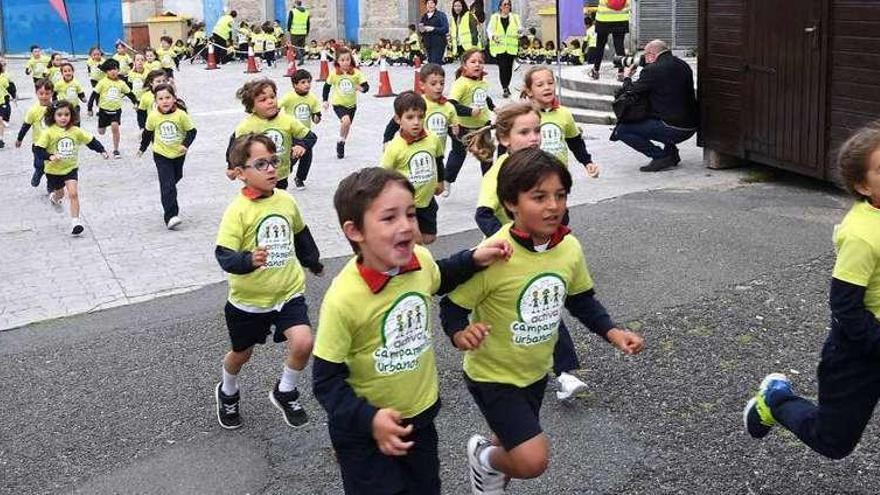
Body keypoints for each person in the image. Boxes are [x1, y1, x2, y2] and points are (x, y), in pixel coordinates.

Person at [440, 148, 644, 494]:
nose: (553, 206)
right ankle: (482, 458)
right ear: (510, 203)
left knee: (509, 444)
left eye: (560, 195)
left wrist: (612, 332)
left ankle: (490, 477)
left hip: (535, 371)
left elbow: (580, 299)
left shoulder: (569, 249)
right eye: (539, 197)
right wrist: (461, 333)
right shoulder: (495, 253)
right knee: (532, 460)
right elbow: (452, 306)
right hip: (492, 376)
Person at [312, 166, 511, 495]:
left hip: (419, 417)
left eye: (410, 214)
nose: (406, 226)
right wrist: (370, 418)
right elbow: (325, 380)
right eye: (389, 218)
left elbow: (438, 277)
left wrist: (474, 258)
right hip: (364, 433)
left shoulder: (418, 259)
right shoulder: (344, 297)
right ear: (355, 231)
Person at [743, 124, 880, 460]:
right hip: (859, 352)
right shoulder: (862, 236)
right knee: (833, 441)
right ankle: (775, 401)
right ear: (864, 186)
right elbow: (845, 307)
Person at [467, 102, 594, 401]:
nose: (534, 137)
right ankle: (503, 370)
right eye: (524, 132)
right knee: (525, 314)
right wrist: (505, 240)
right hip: (507, 256)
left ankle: (563, 374)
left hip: (539, 251)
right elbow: (483, 214)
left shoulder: (544, 166)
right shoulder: (497, 173)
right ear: (504, 139)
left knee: (546, 309)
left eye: (537, 130)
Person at [214, 133, 324, 430]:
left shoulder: (286, 200)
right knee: (242, 354)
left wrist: (312, 261)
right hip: (249, 300)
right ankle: (227, 391)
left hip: (288, 291)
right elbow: (223, 254)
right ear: (240, 174)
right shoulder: (237, 211)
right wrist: (247, 260)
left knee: (303, 342)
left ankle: (285, 390)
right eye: (261, 164)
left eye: (274, 161)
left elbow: (300, 233)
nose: (271, 169)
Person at [612, 40, 699, 172]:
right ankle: (671, 153)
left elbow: (630, 92)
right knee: (660, 111)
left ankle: (661, 157)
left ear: (651, 55)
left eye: (645, 55)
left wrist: (627, 77)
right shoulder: (682, 64)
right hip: (691, 125)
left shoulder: (652, 70)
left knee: (622, 130)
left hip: (673, 128)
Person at [35, 100, 110, 236]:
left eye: (66, 114)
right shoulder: (49, 133)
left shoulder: (75, 131)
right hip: (53, 171)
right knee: (60, 194)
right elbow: (38, 150)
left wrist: (102, 150)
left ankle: (76, 222)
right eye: (59, 115)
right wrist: (50, 156)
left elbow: (90, 140)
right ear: (53, 116)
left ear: (71, 116)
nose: (63, 118)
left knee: (73, 194)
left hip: (71, 168)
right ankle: (54, 197)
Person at [228, 78, 317, 190]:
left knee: (278, 201)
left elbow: (311, 137)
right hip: (256, 176)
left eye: (272, 97)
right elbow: (234, 146)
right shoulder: (247, 126)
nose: (270, 101)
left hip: (280, 174)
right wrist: (231, 167)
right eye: (263, 99)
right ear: (252, 107)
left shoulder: (287, 120)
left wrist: (302, 145)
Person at [381, 91, 445, 245]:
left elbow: (438, 160)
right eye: (410, 117)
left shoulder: (433, 139)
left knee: (429, 238)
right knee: (416, 241)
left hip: (427, 200)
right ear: (398, 119)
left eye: (420, 117)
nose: (416, 122)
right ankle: (412, 264)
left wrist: (440, 181)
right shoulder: (394, 147)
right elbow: (383, 176)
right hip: (406, 204)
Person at [137, 83, 197, 230]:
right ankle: (171, 216)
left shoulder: (181, 115)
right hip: (161, 154)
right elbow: (147, 133)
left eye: (168, 98)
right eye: (161, 98)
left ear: (174, 99)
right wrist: (142, 149)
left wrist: (185, 145)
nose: (165, 101)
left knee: (176, 177)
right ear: (156, 101)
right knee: (168, 185)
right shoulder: (153, 116)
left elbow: (192, 131)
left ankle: (168, 191)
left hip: (178, 153)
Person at [521, 66, 599, 176]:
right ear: (529, 91)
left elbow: (575, 142)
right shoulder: (523, 116)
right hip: (531, 177)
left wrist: (587, 162)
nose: (547, 87)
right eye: (540, 85)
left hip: (559, 177)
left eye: (550, 83)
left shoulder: (564, 113)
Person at [446, 48, 495, 191]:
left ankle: (489, 186)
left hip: (483, 126)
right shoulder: (461, 83)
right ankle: (448, 179)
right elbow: (451, 105)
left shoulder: (483, 82)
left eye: (480, 62)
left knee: (486, 156)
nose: (477, 65)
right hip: (462, 127)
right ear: (464, 65)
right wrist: (469, 111)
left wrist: (494, 108)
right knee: (458, 155)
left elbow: (485, 97)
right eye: (473, 62)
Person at [321, 46, 369, 159]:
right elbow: (326, 87)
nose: (345, 62)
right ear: (337, 61)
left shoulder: (356, 73)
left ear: (351, 60)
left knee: (347, 126)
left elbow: (366, 87)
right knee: (346, 121)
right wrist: (325, 101)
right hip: (338, 104)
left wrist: (361, 88)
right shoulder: (334, 74)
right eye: (342, 60)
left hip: (352, 105)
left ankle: (341, 142)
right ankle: (341, 140)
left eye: (347, 59)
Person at [86, 58, 139, 159]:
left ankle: (116, 150)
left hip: (116, 111)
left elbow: (130, 94)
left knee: (115, 127)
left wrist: (136, 103)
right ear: (106, 72)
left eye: (115, 69)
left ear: (118, 70)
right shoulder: (102, 82)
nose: (113, 71)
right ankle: (104, 125)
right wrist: (90, 108)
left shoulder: (121, 83)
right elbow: (93, 95)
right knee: (101, 132)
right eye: (110, 70)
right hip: (103, 111)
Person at [279, 69, 322, 189]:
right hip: (292, 133)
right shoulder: (289, 97)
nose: (307, 85)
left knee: (307, 157)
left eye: (308, 82)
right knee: (293, 157)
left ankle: (300, 178)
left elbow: (316, 116)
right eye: (303, 82)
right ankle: (284, 175)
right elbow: (277, 107)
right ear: (295, 85)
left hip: (305, 133)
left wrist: (317, 117)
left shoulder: (312, 98)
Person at [15, 79, 52, 188]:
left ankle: (51, 187)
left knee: (53, 168)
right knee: (40, 165)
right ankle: (38, 173)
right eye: (41, 93)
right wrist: (19, 139)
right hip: (38, 144)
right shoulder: (33, 110)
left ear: (52, 93)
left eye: (47, 93)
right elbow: (26, 125)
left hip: (52, 144)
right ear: (36, 93)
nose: (44, 96)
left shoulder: (55, 107)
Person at [487, 0, 521, 98]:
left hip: (511, 47)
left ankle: (507, 85)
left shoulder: (515, 17)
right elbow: (490, 30)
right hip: (499, 47)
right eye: (505, 4)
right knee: (502, 68)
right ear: (500, 7)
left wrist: (520, 32)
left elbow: (520, 28)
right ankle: (505, 88)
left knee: (509, 68)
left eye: (508, 4)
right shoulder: (495, 17)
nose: (507, 6)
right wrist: (493, 36)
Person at [591, 0, 631, 81]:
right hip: (621, 18)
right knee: (619, 46)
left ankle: (596, 70)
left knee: (600, 46)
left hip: (603, 18)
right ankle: (621, 73)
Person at [419, 0, 449, 65]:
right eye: (428, 3)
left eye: (432, 3)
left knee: (435, 64)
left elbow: (445, 29)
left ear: (435, 4)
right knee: (431, 65)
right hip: (428, 44)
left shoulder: (441, 15)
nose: (430, 5)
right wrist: (422, 30)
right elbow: (421, 30)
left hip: (438, 44)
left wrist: (433, 29)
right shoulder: (424, 16)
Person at [0, 59, 16, 149]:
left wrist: (13, 95)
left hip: (1, 101)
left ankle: (1, 139)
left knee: (0, 120)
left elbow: (9, 86)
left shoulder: (3, 77)